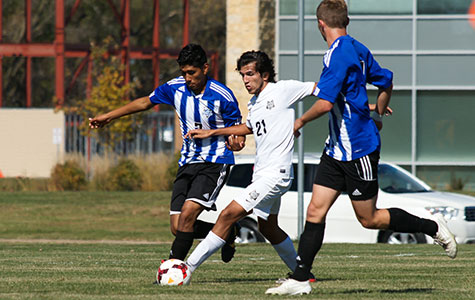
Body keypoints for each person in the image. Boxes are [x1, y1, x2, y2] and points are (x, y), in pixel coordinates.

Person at [266, 0, 457, 295]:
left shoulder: (337, 55)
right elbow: (385, 82)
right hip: (336, 150)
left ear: (320, 25)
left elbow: (326, 102)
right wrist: (376, 111)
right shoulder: (358, 48)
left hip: (359, 150)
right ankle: (300, 278)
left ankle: (432, 227)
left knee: (370, 219)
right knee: (315, 210)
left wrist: (299, 122)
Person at [89, 43, 245, 265]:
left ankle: (173, 267)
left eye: (192, 72)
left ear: (205, 68)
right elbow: (145, 102)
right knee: (178, 226)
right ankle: (227, 232)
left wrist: (237, 142)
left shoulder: (223, 95)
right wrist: (109, 116)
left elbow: (237, 131)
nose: (188, 78)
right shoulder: (175, 88)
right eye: (184, 73)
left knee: (189, 214)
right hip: (187, 162)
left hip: (214, 161)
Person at [183, 50, 320, 281]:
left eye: (250, 74)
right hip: (263, 174)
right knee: (267, 227)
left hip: (276, 174)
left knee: (228, 215)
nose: (245, 80)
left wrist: (361, 107)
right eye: (243, 75)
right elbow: (248, 128)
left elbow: (323, 89)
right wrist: (212, 132)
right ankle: (303, 274)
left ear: (264, 74)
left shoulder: (282, 90)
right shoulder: (255, 103)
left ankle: (187, 268)